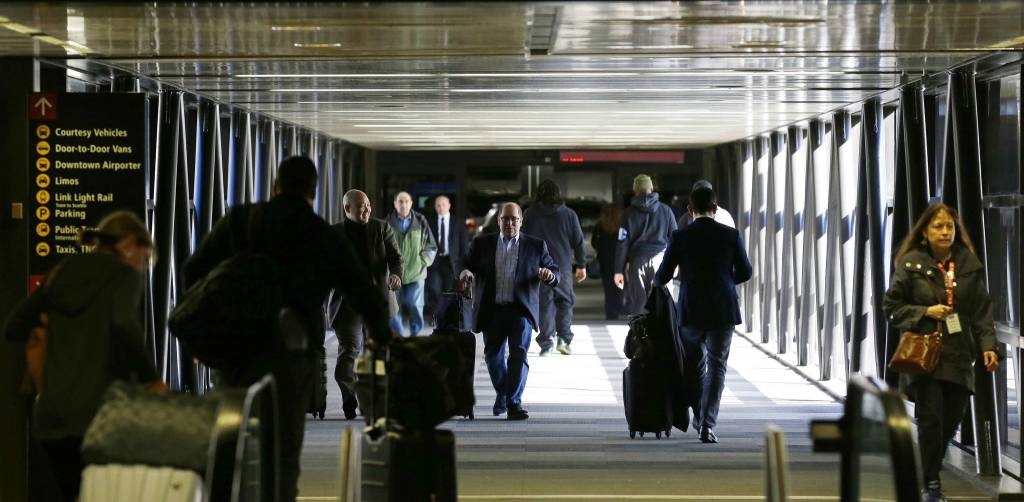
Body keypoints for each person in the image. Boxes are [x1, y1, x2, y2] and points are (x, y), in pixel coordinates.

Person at [183, 156, 391, 502]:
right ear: (313, 192)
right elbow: (362, 290)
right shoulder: (322, 235)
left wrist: (205, 337)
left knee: (228, 441)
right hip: (291, 354)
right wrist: (384, 335)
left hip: (237, 350)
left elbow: (195, 272)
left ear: (276, 186)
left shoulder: (240, 222)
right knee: (284, 447)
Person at [4, 210, 163, 501]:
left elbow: (14, 325)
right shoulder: (123, 276)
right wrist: (151, 379)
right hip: (101, 416)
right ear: (128, 244)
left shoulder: (60, 273)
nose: (143, 266)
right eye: (144, 256)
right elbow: (124, 325)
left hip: (51, 417)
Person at [882, 203, 998, 502]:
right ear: (924, 233)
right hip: (924, 355)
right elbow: (891, 308)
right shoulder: (911, 265)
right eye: (938, 226)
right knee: (931, 418)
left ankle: (924, 472)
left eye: (949, 227)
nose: (945, 232)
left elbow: (981, 311)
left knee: (951, 419)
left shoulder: (968, 264)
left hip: (958, 354)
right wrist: (926, 311)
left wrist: (988, 347)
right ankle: (930, 484)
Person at [655, 186, 752, 444]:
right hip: (723, 309)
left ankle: (699, 416)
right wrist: (726, 281)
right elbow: (746, 271)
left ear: (690, 210)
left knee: (694, 365)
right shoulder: (731, 235)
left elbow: (662, 276)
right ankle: (708, 424)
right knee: (717, 366)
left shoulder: (680, 236)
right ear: (716, 209)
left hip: (691, 309)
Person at [461, 202, 559, 420]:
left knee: (519, 354)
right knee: (492, 357)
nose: (510, 223)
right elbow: (466, 264)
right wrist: (466, 272)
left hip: (520, 309)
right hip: (492, 309)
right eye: (505, 219)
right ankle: (504, 394)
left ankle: (514, 403)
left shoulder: (535, 246)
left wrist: (549, 275)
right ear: (499, 221)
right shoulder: (482, 244)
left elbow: (554, 270)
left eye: (514, 219)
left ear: (521, 221)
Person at [329, 189, 403, 420]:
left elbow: (395, 257)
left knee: (378, 353)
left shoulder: (381, 228)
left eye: (369, 205)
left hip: (376, 301)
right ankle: (349, 397)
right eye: (361, 206)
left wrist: (396, 275)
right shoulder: (334, 234)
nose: (367, 210)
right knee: (349, 351)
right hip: (346, 303)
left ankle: (375, 399)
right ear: (347, 208)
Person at [522, 179, 586, 356]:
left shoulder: (530, 214)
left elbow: (522, 241)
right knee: (565, 302)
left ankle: (546, 343)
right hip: (562, 267)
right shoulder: (569, 214)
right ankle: (564, 340)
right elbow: (579, 242)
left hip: (538, 267)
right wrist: (581, 265)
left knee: (544, 304)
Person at [614, 174, 678, 316]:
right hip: (661, 261)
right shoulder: (666, 211)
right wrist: (675, 264)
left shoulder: (628, 214)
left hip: (637, 262)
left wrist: (618, 270)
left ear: (635, 191)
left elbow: (622, 243)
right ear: (651, 188)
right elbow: (675, 239)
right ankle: (663, 334)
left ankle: (641, 336)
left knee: (639, 302)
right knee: (663, 301)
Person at [386, 191, 437, 337]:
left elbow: (431, 246)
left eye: (407, 201)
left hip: (416, 274)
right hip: (394, 274)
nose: (404, 204)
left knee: (415, 306)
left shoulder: (420, 220)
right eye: (400, 201)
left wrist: (422, 262)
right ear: (395, 204)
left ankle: (415, 338)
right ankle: (399, 339)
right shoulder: (387, 222)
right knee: (394, 309)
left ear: (411, 203)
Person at [426, 194, 466, 323]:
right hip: (434, 261)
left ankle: (448, 318)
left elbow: (463, 244)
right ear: (435, 207)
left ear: (449, 205)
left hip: (451, 262)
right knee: (434, 288)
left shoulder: (457, 221)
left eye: (443, 204)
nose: (441, 207)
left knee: (450, 291)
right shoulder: (429, 221)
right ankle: (436, 317)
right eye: (438, 205)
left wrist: (464, 264)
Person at [592, 203, 624, 320]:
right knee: (619, 285)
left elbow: (594, 242)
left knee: (608, 287)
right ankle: (619, 306)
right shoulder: (621, 226)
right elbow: (625, 241)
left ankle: (610, 312)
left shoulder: (600, 226)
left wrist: (601, 249)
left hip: (605, 260)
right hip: (619, 260)